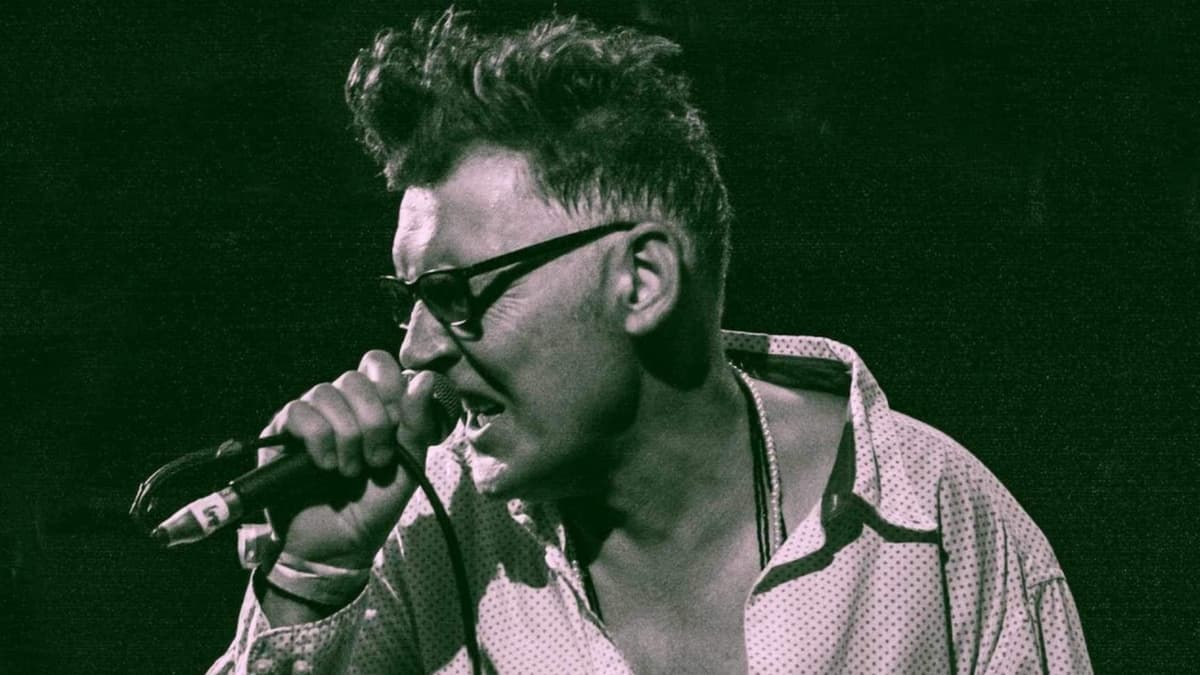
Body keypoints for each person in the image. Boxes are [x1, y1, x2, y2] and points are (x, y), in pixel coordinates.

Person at [209, 9, 1091, 674]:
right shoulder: (421, 539)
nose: (415, 350)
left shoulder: (935, 524)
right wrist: (311, 573)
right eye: (409, 299)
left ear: (642, 280)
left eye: (455, 293)